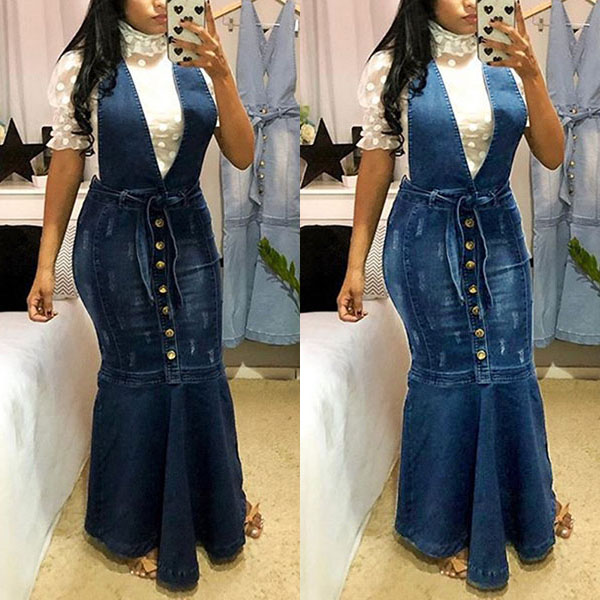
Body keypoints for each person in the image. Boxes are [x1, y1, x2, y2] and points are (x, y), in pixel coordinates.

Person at [337, 0, 574, 590]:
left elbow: (552, 154)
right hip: (424, 239)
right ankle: (442, 525)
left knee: (509, 370)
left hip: (499, 236)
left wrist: (532, 73)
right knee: (447, 377)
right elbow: (376, 164)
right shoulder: (394, 66)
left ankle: (524, 509)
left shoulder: (511, 56)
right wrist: (355, 264)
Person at [27, 0, 263, 589]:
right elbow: (66, 164)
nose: (161, 3)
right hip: (113, 239)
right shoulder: (84, 66)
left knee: (199, 370)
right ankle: (133, 526)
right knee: (136, 376)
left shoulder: (200, 57)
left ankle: (214, 509)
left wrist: (223, 74)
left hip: (189, 236)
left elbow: (242, 154)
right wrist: (45, 264)